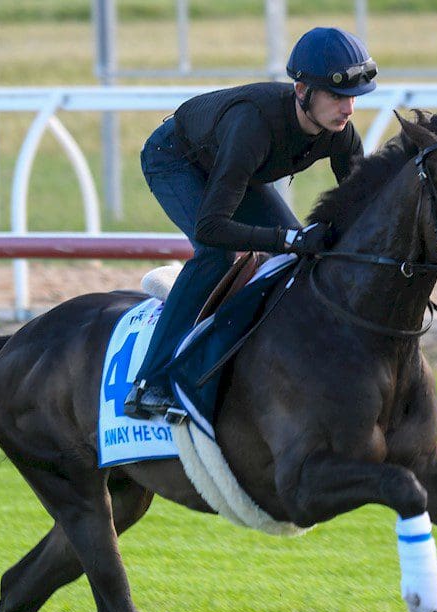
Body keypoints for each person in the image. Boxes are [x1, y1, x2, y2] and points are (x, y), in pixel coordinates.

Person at [123, 26, 378, 420]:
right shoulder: (253, 125)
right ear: (301, 92)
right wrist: (289, 236)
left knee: (296, 260)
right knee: (216, 254)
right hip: (174, 159)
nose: (348, 109)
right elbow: (211, 228)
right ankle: (150, 383)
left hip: (230, 166)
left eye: (353, 99)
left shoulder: (340, 133)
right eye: (336, 96)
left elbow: (365, 207)